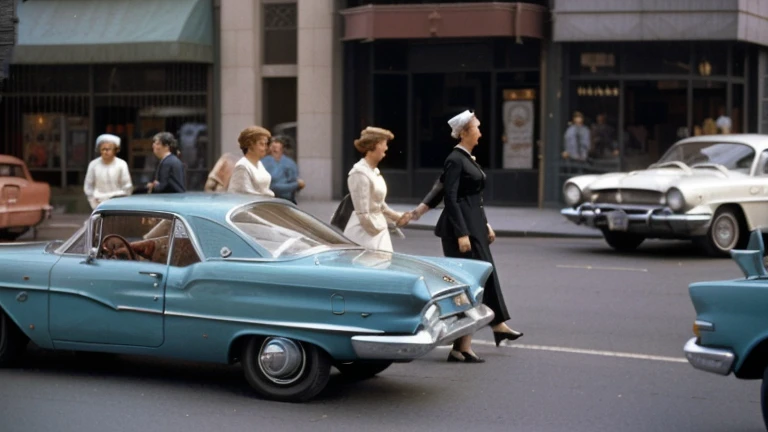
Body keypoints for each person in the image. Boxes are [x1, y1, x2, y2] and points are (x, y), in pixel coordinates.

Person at [411, 110, 523, 363]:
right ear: (464, 132)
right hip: (460, 229)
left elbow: (474, 199)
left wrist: (486, 224)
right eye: (477, 128)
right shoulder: (455, 159)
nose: (480, 133)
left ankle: (467, 343)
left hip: (474, 226)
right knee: (470, 286)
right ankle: (485, 332)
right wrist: (462, 233)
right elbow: (450, 197)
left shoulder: (468, 159)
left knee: (482, 279)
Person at [344, 127, 411, 252]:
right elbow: (363, 213)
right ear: (372, 146)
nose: (386, 148)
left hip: (377, 229)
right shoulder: (359, 173)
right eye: (383, 144)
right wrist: (376, 231)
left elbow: (380, 205)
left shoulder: (373, 171)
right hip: (363, 234)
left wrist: (397, 217)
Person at [83, 133, 133, 209]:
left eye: (109, 149)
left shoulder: (122, 164)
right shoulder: (93, 164)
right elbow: (88, 186)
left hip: (117, 201)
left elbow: (128, 187)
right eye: (103, 149)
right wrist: (92, 200)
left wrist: (122, 200)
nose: (106, 151)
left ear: (115, 150)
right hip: (98, 201)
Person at [228, 126, 275, 197]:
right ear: (250, 145)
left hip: (262, 205)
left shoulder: (259, 163)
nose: (265, 148)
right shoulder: (242, 166)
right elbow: (245, 194)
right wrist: (269, 196)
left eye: (266, 144)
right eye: (261, 144)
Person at [261, 135, 305, 203]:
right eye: (272, 147)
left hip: (286, 201)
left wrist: (297, 185)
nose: (274, 149)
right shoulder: (263, 162)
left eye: (276, 148)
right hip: (268, 200)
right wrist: (297, 184)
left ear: (282, 149)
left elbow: (295, 183)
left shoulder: (290, 164)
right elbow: (273, 187)